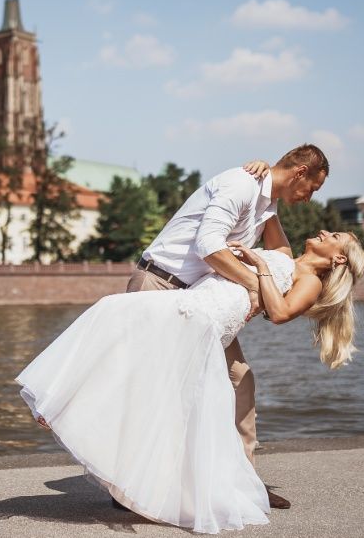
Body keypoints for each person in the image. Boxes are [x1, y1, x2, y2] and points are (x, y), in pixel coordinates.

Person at [17, 229, 364, 533]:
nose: (324, 232)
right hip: (188, 303)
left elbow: (279, 313)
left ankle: (70, 407)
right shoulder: (283, 252)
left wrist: (260, 270)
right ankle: (70, 406)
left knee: (124, 334)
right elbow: (270, 201)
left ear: (338, 260)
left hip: (204, 320)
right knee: (119, 330)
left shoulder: (310, 280)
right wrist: (260, 173)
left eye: (334, 237)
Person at [126, 145, 330, 510]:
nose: (310, 199)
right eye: (312, 188)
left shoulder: (266, 202)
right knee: (152, 388)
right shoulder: (241, 185)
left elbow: (282, 253)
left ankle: (244, 481)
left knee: (239, 380)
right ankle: (127, 486)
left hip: (202, 302)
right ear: (300, 172)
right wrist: (254, 285)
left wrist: (270, 179)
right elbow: (209, 248)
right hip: (159, 284)